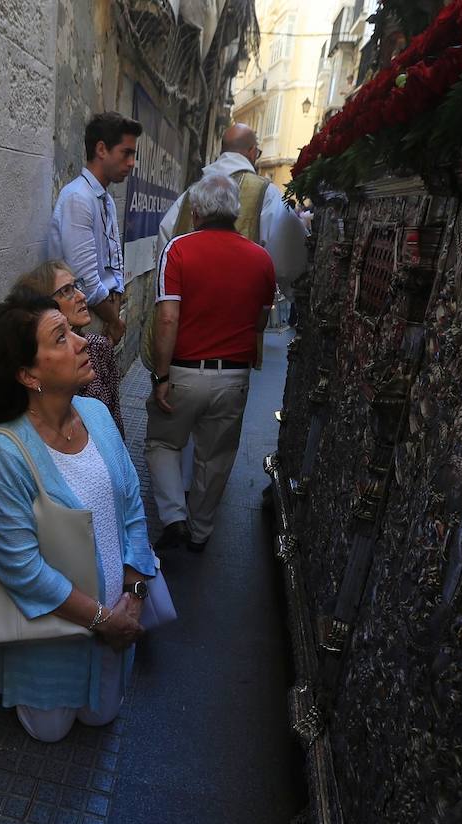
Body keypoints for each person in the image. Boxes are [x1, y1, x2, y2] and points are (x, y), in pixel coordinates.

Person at [0, 298, 154, 743]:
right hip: (53, 637)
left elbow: (132, 508)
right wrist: (102, 621)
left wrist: (135, 592)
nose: (81, 342)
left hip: (117, 622)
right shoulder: (4, 450)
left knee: (102, 717)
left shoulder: (95, 413)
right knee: (48, 731)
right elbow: (21, 567)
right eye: (61, 337)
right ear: (29, 375)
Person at [147, 174, 275, 553]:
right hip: (234, 376)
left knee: (162, 442)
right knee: (215, 458)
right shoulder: (260, 258)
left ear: (197, 210)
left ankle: (173, 518)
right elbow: (261, 320)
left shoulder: (179, 249)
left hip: (184, 371)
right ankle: (201, 532)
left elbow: (167, 318)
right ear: (234, 211)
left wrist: (161, 375)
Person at [157, 122, 306, 304]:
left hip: (187, 311)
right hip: (238, 310)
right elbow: (288, 256)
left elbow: (165, 237)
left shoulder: (192, 192)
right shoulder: (264, 192)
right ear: (252, 151)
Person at [48, 112, 142, 345]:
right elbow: (86, 281)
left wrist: (115, 312)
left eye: (133, 154)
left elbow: (115, 263)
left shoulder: (105, 198)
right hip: (83, 323)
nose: (131, 162)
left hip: (104, 318)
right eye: (126, 153)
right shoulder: (78, 198)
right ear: (101, 150)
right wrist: (115, 321)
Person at [10, 260, 124, 434]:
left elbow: (115, 421)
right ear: (43, 303)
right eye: (67, 291)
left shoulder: (99, 347)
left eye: (77, 286)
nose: (82, 296)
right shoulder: (31, 363)